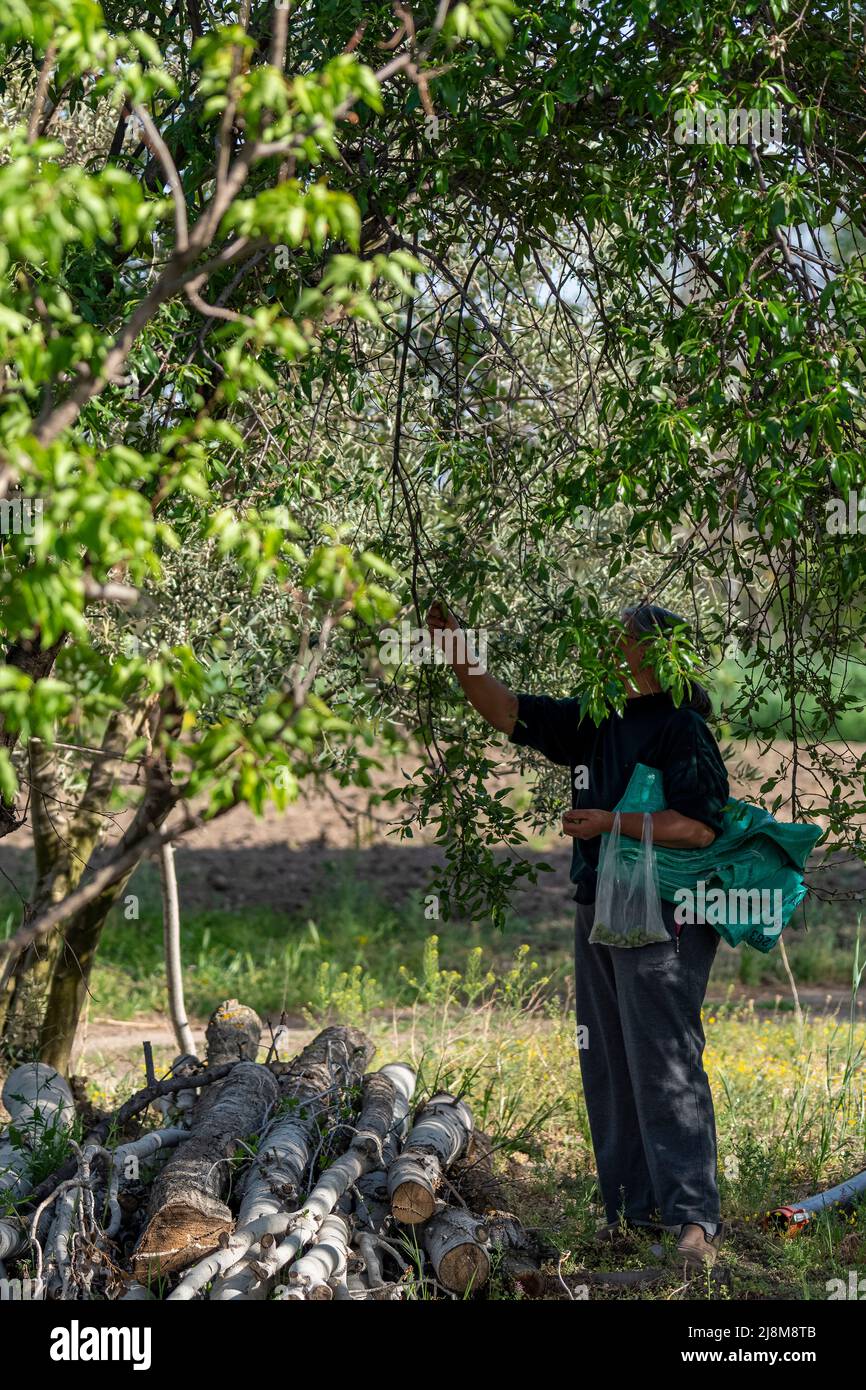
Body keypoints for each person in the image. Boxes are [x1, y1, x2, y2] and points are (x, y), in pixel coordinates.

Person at [426, 599, 729, 1271]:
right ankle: (630, 1215)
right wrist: (458, 652)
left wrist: (606, 822)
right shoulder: (595, 718)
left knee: (664, 1059)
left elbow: (699, 827)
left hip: (667, 907)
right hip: (602, 903)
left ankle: (692, 1225)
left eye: (619, 642)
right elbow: (504, 710)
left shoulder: (683, 728)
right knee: (611, 1059)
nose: (610, 652)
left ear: (650, 653)